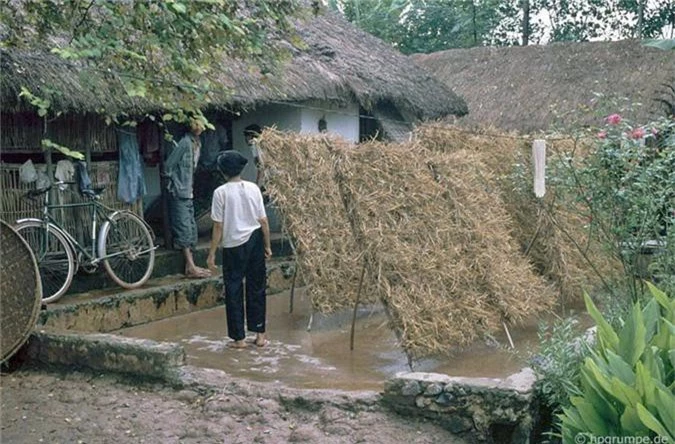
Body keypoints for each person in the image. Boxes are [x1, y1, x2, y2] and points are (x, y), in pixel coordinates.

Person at [207, 150, 272, 349]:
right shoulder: (253, 188)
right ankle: (260, 335)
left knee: (234, 289)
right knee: (257, 287)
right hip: (255, 240)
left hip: (233, 245)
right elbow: (263, 221)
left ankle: (239, 339)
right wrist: (267, 245)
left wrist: (211, 253)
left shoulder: (221, 192)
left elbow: (218, 226)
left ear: (223, 172)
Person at [165, 119, 211, 278]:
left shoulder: (197, 144)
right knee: (184, 229)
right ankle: (191, 267)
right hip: (180, 192)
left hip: (188, 192)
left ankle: (190, 266)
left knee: (191, 229)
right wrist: (175, 185)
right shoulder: (184, 143)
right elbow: (168, 166)